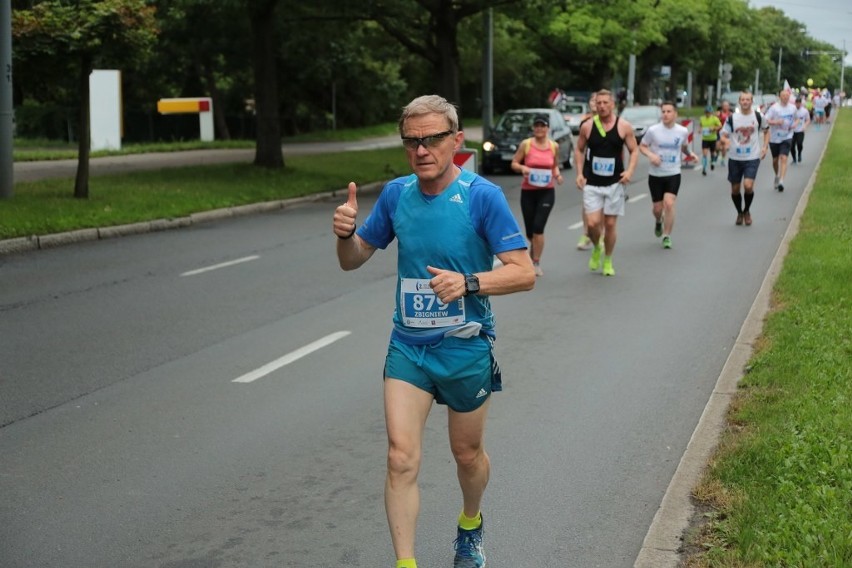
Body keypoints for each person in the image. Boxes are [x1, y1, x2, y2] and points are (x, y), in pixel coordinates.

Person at [332, 94, 535, 568]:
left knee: (467, 456)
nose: (422, 150)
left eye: (432, 139)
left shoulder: (482, 196)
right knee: (401, 457)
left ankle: (470, 524)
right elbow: (353, 260)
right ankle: (406, 562)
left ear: (456, 141)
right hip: (409, 348)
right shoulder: (396, 194)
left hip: (465, 347)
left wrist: (468, 282)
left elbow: (524, 272)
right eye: (412, 141)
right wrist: (344, 235)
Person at [574, 89, 639, 276]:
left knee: (610, 224)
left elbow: (634, 150)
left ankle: (608, 260)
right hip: (592, 183)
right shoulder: (587, 126)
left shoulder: (623, 126)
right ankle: (596, 246)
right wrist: (579, 173)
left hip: (614, 183)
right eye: (598, 103)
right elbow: (579, 150)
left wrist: (629, 171)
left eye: (605, 103)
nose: (601, 106)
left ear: (612, 105)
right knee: (593, 224)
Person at [639, 101, 699, 249]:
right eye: (663, 111)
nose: (665, 114)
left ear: (675, 114)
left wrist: (690, 154)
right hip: (655, 174)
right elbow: (642, 146)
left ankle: (666, 235)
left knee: (669, 203)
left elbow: (683, 147)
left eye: (668, 111)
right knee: (658, 209)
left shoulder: (682, 131)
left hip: (673, 172)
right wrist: (651, 156)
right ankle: (659, 221)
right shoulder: (653, 130)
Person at [510, 113, 564, 276]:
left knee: (538, 228)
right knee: (529, 231)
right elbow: (514, 163)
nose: (539, 129)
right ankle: (534, 251)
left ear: (547, 128)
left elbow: (554, 165)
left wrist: (558, 175)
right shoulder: (526, 144)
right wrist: (522, 168)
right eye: (537, 126)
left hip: (546, 192)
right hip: (528, 192)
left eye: (543, 126)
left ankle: (535, 262)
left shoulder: (553, 146)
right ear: (533, 128)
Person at [720, 91, 769, 226]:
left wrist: (765, 147)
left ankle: (746, 210)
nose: (745, 102)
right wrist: (726, 141)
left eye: (748, 100)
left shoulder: (758, 116)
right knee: (735, 189)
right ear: (739, 102)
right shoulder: (732, 118)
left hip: (752, 157)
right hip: (735, 158)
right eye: (743, 100)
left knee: (748, 186)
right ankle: (739, 212)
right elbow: (723, 134)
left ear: (752, 101)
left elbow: (766, 130)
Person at [764, 87, 799, 192]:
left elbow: (797, 119)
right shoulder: (774, 108)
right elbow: (765, 120)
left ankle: (781, 182)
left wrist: (794, 125)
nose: (785, 98)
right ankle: (777, 175)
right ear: (779, 97)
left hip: (787, 136)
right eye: (783, 96)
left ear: (789, 97)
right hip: (774, 138)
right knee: (775, 160)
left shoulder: (792, 108)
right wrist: (775, 122)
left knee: (783, 158)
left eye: (787, 96)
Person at [575, 92, 598, 250]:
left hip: (608, 169)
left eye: (599, 101)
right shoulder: (585, 122)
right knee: (587, 202)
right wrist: (580, 172)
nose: (595, 103)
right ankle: (586, 233)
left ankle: (599, 233)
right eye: (592, 100)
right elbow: (580, 148)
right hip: (590, 167)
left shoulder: (613, 122)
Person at [699, 105, 722, 176]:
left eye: (709, 113)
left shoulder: (715, 119)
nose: (707, 114)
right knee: (705, 154)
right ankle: (704, 169)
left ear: (711, 113)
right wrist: (700, 129)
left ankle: (712, 162)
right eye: (706, 112)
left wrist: (714, 128)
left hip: (713, 138)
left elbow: (720, 126)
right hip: (705, 139)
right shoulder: (702, 118)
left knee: (712, 153)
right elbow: (701, 125)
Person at [790, 97, 811, 164]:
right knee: (792, 146)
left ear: (801, 103)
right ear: (795, 103)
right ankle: (794, 159)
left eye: (799, 103)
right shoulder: (792, 110)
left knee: (799, 144)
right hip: (792, 131)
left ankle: (799, 154)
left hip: (800, 130)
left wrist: (805, 126)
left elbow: (808, 120)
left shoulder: (804, 111)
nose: (798, 104)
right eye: (797, 103)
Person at [715, 100, 732, 166]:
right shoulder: (719, 113)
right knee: (717, 147)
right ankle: (717, 154)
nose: (726, 107)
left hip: (726, 133)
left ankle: (722, 159)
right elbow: (714, 121)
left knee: (724, 147)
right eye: (724, 105)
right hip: (719, 132)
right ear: (722, 106)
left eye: (727, 106)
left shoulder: (730, 114)